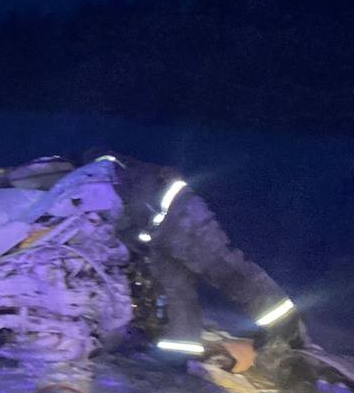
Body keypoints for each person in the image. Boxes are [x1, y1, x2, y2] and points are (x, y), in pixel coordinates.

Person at [87, 151, 301, 360]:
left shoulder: (87, 177)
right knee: (174, 291)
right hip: (154, 230)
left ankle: (285, 328)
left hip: (179, 214)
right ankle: (179, 354)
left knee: (223, 268)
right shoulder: (90, 174)